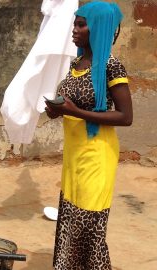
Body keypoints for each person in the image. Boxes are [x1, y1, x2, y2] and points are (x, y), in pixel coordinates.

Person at [44, 2, 133, 269]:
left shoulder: (111, 66)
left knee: (88, 227)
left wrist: (76, 112)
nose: (75, 29)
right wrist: (57, 111)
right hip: (74, 157)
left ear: (98, 28)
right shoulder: (77, 63)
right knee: (71, 221)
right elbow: (73, 105)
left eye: (81, 25)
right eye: (75, 24)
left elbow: (125, 117)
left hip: (97, 157)